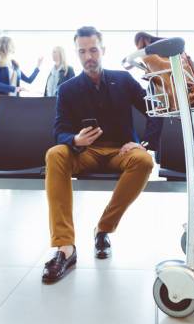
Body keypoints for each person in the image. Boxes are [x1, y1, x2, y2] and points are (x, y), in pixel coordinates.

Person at [42, 26, 162, 283]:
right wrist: (74, 139)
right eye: (83, 51)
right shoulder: (67, 89)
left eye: (93, 50)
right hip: (85, 152)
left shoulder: (124, 80)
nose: (89, 56)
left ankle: (103, 229)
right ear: (77, 54)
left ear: (103, 50)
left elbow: (154, 110)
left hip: (121, 151)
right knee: (55, 154)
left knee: (144, 161)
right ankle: (65, 247)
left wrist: (145, 143)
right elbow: (59, 131)